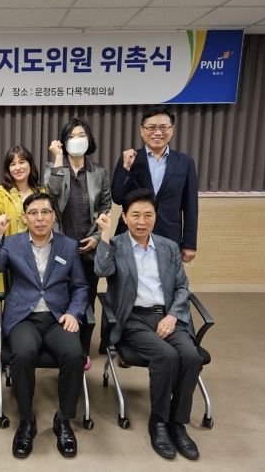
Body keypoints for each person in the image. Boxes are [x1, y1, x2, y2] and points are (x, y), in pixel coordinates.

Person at [94, 189, 203, 461]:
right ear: (125, 217)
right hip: (133, 320)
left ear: (156, 216)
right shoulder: (116, 244)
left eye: (148, 215)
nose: (141, 222)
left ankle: (177, 423)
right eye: (135, 215)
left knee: (191, 357)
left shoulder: (168, 247)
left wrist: (173, 316)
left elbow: (182, 287)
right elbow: (101, 270)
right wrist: (104, 236)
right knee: (166, 356)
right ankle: (158, 422)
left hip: (168, 317)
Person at [0, 192, 89, 459]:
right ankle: (27, 420)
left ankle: (63, 419)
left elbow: (80, 287)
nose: (40, 218)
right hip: (24, 317)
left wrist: (74, 313)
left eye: (45, 212)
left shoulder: (68, 245)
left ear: (53, 216)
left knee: (74, 355)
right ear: (24, 218)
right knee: (21, 355)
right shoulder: (13, 243)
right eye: (33, 213)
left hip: (58, 317)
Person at [110, 105, 198, 263]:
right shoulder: (130, 158)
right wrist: (126, 168)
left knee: (165, 277)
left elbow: (191, 206)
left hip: (168, 235)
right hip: (131, 234)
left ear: (172, 130)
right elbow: (117, 197)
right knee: (127, 277)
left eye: (163, 127)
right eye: (151, 127)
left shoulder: (185, 163)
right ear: (141, 130)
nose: (157, 133)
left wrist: (190, 243)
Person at [44, 117, 111, 311]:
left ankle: (84, 332)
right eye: (71, 136)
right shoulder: (53, 169)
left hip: (89, 248)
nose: (77, 139)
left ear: (89, 139)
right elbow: (53, 191)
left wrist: (97, 238)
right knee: (59, 299)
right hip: (60, 245)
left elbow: (105, 208)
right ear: (64, 142)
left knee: (87, 300)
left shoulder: (99, 172)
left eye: (81, 135)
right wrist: (58, 158)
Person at [0, 145, 43, 293]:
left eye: (22, 162)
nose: (17, 167)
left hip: (37, 256)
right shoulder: (2, 191)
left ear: (30, 164)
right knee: (8, 297)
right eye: (12, 164)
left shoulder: (41, 192)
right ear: (8, 169)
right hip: (9, 256)